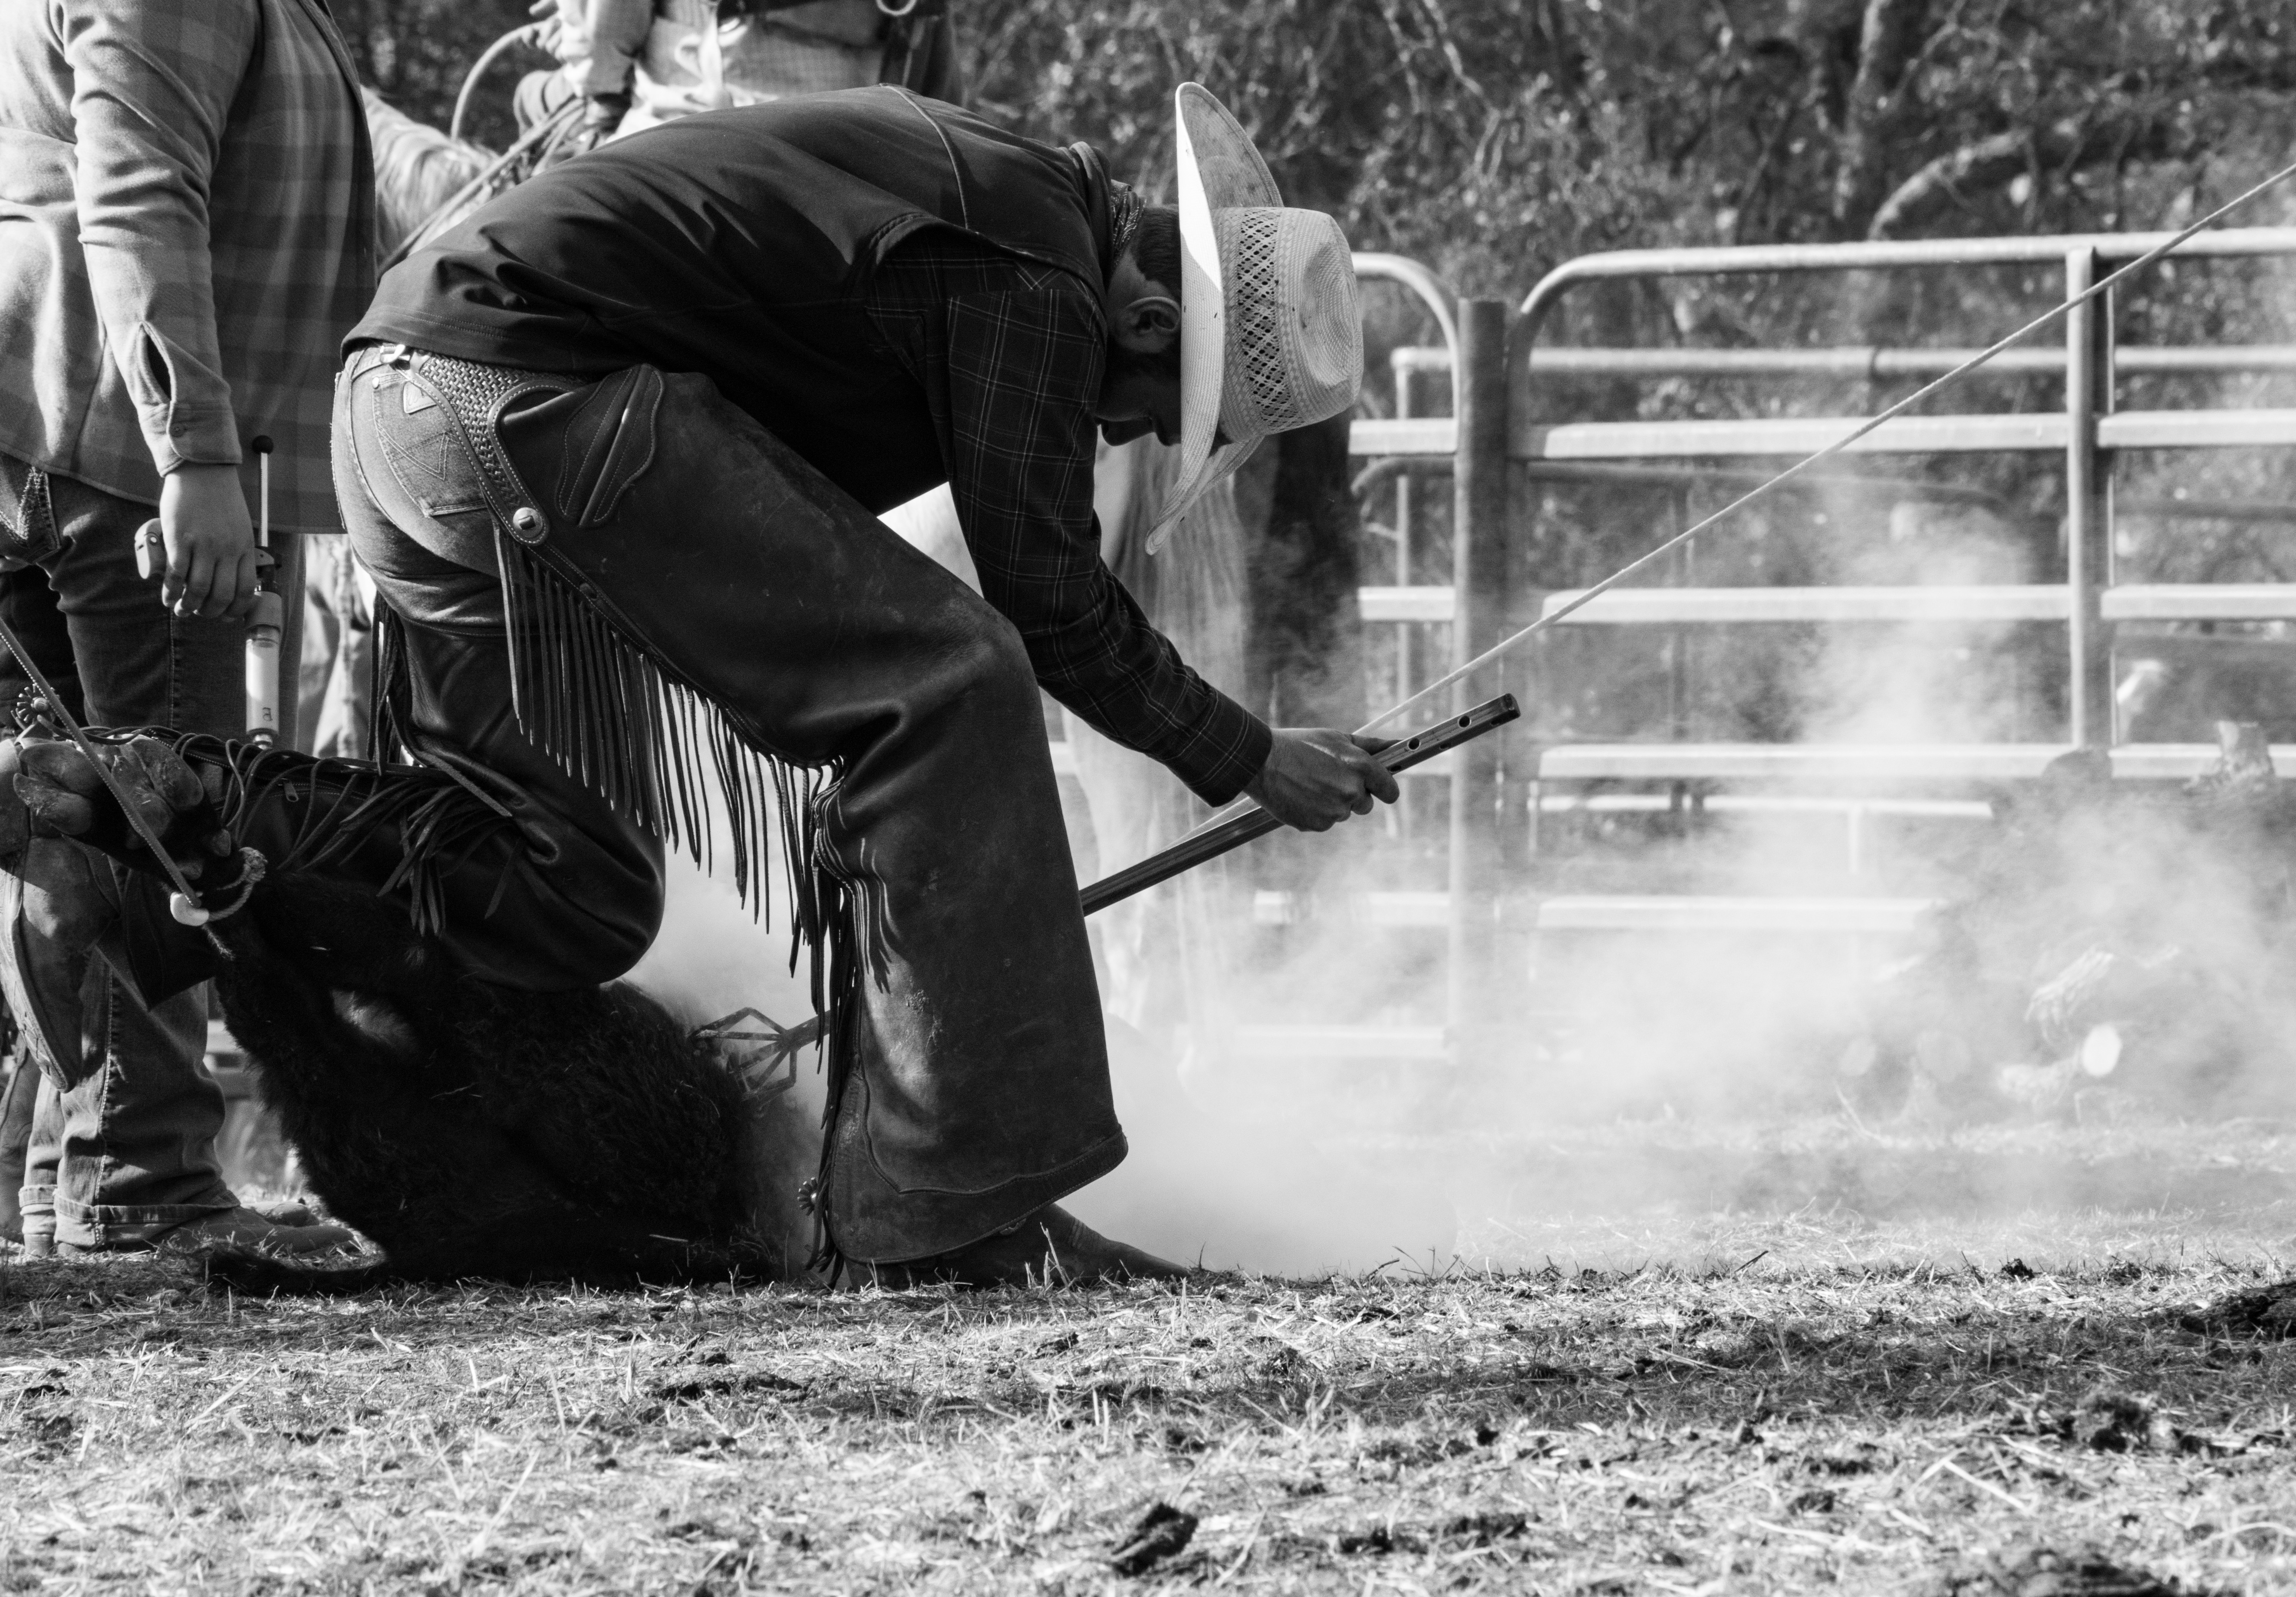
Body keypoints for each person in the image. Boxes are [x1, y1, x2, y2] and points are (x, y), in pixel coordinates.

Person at [0, 82, 1392, 1285]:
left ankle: (177, 804)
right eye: (1163, 403)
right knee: (953, 674)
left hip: (405, 413)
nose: (1133, 427)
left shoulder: (1003, 207)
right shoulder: (1037, 271)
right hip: (529, 391)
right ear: (1147, 312)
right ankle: (957, 1203)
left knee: (573, 886)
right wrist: (1247, 752)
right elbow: (1042, 593)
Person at [0, 0, 369, 1257]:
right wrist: (198, 455)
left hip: (52, 419)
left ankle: (80, 1173)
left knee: (68, 828)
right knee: (166, 819)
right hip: (111, 437)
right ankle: (143, 1178)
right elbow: (140, 193)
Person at [520, 0, 961, 152]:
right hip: (848, 153)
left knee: (514, 252)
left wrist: (597, 88)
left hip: (682, 137)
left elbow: (604, 38)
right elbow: (937, 83)